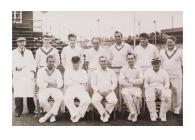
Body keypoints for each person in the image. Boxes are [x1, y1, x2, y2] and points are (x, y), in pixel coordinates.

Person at [12, 37, 36, 117]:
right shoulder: (13, 52)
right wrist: (15, 68)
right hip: (18, 75)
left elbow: (33, 63)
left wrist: (32, 71)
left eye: (23, 42)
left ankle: (31, 109)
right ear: (17, 43)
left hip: (28, 75)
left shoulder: (29, 52)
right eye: (20, 42)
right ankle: (18, 111)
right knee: (18, 93)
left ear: (25, 43)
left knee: (29, 92)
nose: (21, 43)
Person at [37, 55, 63, 123]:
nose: (52, 63)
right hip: (44, 89)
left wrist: (47, 82)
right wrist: (52, 83)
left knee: (60, 97)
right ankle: (52, 115)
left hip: (55, 89)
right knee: (42, 100)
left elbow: (60, 84)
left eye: (53, 62)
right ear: (46, 62)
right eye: (50, 61)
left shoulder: (57, 71)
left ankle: (46, 116)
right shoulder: (41, 70)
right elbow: (40, 83)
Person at [64, 56, 91, 123]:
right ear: (71, 62)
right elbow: (67, 82)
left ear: (79, 62)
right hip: (71, 88)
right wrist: (79, 81)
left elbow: (84, 81)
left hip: (80, 89)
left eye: (77, 62)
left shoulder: (83, 71)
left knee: (87, 100)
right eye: (74, 62)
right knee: (67, 99)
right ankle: (74, 114)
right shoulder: (67, 71)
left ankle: (78, 115)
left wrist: (73, 80)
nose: (75, 64)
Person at [160, 36, 183, 115]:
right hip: (165, 76)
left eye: (171, 42)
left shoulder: (180, 51)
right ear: (166, 43)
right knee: (166, 92)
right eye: (168, 42)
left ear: (174, 42)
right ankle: (167, 107)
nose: (169, 43)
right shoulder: (162, 51)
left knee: (177, 92)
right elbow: (160, 64)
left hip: (176, 75)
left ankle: (176, 108)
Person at [91, 56, 118, 122]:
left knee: (114, 100)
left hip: (109, 91)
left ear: (107, 62)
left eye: (104, 61)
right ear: (99, 62)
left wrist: (109, 91)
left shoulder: (111, 71)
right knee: (94, 100)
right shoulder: (95, 72)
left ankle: (104, 114)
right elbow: (93, 84)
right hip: (99, 91)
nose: (103, 62)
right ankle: (104, 113)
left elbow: (115, 83)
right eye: (101, 61)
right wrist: (99, 91)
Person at [119, 53, 143, 122]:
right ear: (126, 60)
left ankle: (131, 113)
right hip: (126, 88)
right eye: (128, 59)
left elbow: (141, 80)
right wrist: (133, 84)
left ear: (135, 59)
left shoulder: (139, 69)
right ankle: (134, 113)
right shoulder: (123, 69)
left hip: (136, 88)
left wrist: (129, 80)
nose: (130, 60)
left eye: (132, 58)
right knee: (126, 94)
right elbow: (121, 81)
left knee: (137, 96)